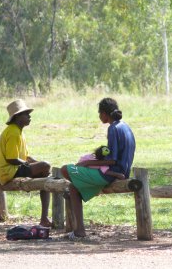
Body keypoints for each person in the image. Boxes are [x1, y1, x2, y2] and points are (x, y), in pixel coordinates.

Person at [61, 97, 136, 238]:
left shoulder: (113, 128)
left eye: (99, 113)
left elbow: (112, 160)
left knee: (65, 169)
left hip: (110, 174)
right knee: (73, 188)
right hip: (123, 171)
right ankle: (79, 231)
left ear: (104, 114)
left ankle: (88, 186)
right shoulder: (126, 127)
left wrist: (87, 163)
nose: (99, 116)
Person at [0, 99, 52, 227]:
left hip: (13, 169)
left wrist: (40, 165)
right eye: (26, 114)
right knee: (45, 168)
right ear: (17, 117)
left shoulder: (18, 132)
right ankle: (44, 218)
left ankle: (44, 218)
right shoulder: (13, 132)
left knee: (45, 173)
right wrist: (39, 166)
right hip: (8, 171)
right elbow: (11, 159)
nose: (29, 116)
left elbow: (26, 157)